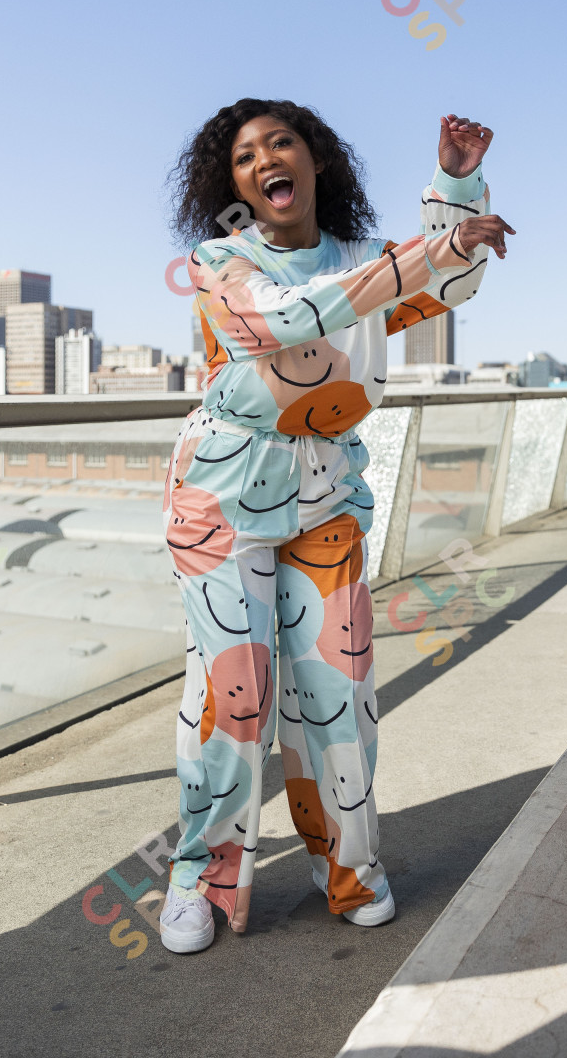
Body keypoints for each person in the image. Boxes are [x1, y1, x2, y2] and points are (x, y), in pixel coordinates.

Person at [156, 99, 515, 953]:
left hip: (324, 499)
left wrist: (456, 187)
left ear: (317, 162)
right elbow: (286, 319)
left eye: (282, 144)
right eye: (245, 157)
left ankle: (349, 869)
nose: (265, 162)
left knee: (337, 697)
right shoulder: (220, 261)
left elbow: (450, 282)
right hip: (220, 500)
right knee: (233, 698)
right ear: (231, 182)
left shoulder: (363, 259)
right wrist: (427, 253)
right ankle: (198, 881)